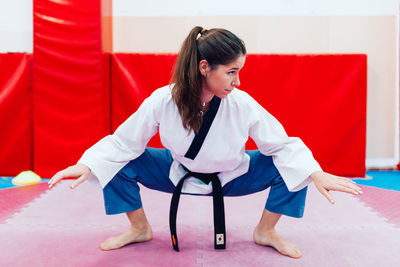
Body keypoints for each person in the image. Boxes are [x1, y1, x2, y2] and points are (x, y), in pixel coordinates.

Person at [48, 26, 362, 258]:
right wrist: (86, 164)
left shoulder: (242, 104)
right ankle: (139, 227)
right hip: (178, 172)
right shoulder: (164, 100)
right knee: (114, 160)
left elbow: (283, 145)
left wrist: (315, 172)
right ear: (204, 68)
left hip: (234, 176)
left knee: (293, 165)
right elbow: (123, 143)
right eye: (231, 72)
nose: (237, 81)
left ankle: (266, 230)